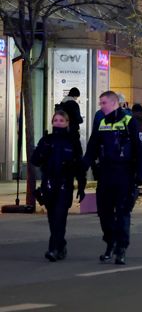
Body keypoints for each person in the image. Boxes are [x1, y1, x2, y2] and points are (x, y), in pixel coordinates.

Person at [83, 90, 142, 265]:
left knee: (122, 213)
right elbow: (92, 148)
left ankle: (121, 249)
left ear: (114, 103)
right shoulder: (102, 122)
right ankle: (110, 243)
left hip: (124, 174)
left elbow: (140, 150)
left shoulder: (130, 122)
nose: (101, 106)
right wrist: (82, 167)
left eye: (103, 103)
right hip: (106, 174)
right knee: (104, 213)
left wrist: (141, 174)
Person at [32, 110, 85, 261]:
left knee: (60, 217)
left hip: (65, 184)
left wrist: (81, 186)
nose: (58, 123)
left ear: (67, 123)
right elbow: (35, 160)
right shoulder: (47, 140)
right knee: (52, 218)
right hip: (48, 183)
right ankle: (61, 245)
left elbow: (79, 166)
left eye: (62, 120)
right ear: (52, 122)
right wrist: (43, 151)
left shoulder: (73, 141)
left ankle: (53, 249)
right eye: (56, 120)